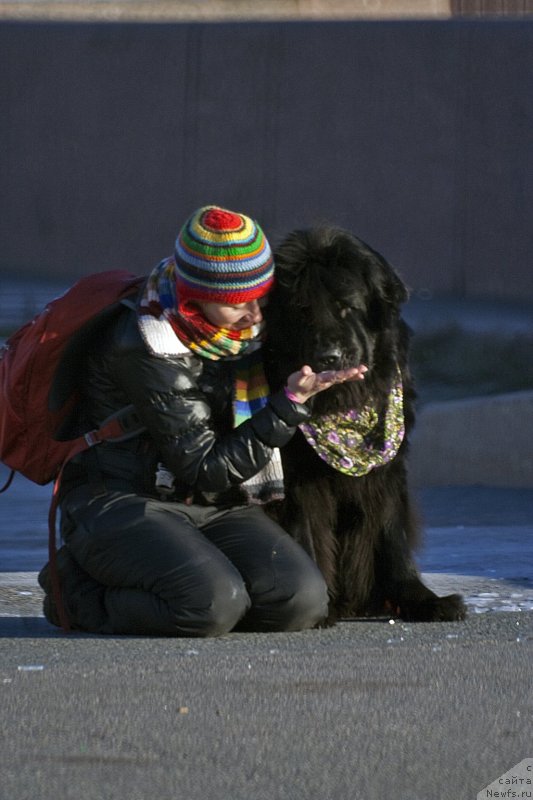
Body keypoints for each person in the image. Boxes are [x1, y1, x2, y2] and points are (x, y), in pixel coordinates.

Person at [38, 205, 366, 636]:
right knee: (209, 606)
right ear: (196, 298)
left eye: (262, 298)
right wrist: (288, 405)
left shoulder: (235, 336)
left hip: (209, 505)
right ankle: (77, 592)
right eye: (237, 305)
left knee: (299, 601)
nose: (255, 315)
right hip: (123, 501)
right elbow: (205, 468)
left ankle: (196, 581)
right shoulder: (146, 345)